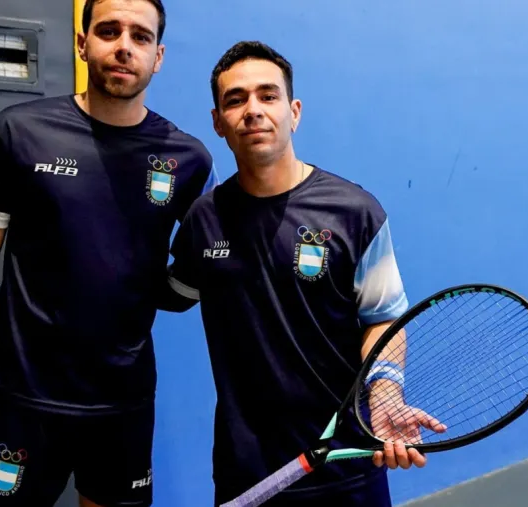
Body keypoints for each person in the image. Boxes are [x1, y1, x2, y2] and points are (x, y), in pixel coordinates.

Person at [0, 1, 218, 506]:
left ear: (157, 56)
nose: (124, 46)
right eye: (109, 31)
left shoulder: (189, 159)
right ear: (82, 43)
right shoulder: (20, 131)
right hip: (23, 399)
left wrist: (173, 291)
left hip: (123, 403)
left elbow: (214, 257)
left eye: (140, 36)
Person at [161, 41, 443, 506]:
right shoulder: (204, 220)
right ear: (218, 122)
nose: (253, 110)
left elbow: (383, 317)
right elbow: (174, 291)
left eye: (268, 95)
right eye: (236, 99)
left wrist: (387, 393)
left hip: (346, 465)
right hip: (245, 470)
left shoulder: (355, 212)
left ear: (294, 113)